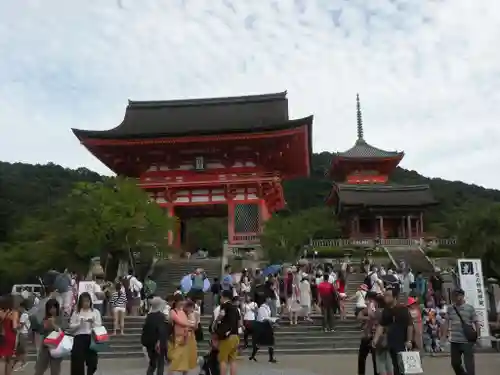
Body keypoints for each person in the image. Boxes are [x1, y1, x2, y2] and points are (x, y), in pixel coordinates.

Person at [373, 288, 413, 375]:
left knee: (402, 367)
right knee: (394, 366)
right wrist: (375, 339)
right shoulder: (386, 311)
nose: (385, 297)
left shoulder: (403, 310)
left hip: (402, 343)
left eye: (388, 295)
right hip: (390, 343)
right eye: (385, 295)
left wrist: (409, 340)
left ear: (395, 297)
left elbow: (410, 325)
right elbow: (381, 325)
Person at [446, 288, 479, 375]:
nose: (456, 297)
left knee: (469, 365)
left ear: (462, 296)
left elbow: (476, 322)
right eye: (454, 295)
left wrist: (477, 336)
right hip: (455, 341)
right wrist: (444, 334)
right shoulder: (450, 308)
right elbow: (446, 322)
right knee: (455, 363)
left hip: (467, 341)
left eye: (458, 295)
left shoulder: (470, 308)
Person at [69, 292, 103, 375]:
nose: (86, 303)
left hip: (91, 338)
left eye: (87, 301)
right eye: (84, 301)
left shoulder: (95, 312)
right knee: (77, 362)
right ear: (80, 302)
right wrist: (79, 324)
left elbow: (99, 326)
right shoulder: (76, 313)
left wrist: (92, 323)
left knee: (92, 361)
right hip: (79, 338)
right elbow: (71, 327)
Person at [34, 299, 64, 375]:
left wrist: (53, 324)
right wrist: (45, 325)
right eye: (50, 308)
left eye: (54, 308)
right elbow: (40, 331)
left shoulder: (60, 318)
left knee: (55, 370)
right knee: (39, 369)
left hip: (56, 347)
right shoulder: (45, 318)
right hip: (45, 347)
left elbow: (62, 331)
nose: (52, 310)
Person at [168, 294, 196, 375]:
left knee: (185, 360)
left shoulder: (183, 311)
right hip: (177, 338)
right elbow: (179, 321)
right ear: (176, 302)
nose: (183, 303)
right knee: (175, 360)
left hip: (185, 337)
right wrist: (189, 324)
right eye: (181, 301)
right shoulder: (173, 311)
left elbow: (190, 323)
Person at [142, 297, 169, 375]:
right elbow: (162, 331)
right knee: (160, 363)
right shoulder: (161, 316)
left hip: (149, 343)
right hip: (158, 343)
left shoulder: (149, 316)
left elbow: (145, 330)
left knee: (153, 363)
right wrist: (160, 342)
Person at [215, 290, 240, 375]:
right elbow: (239, 323)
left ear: (224, 297)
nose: (220, 298)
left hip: (227, 337)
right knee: (233, 360)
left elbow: (220, 318)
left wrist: (218, 320)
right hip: (235, 336)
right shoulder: (236, 308)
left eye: (221, 297)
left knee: (223, 360)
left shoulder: (224, 306)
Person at [356, 292, 379, 375]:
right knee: (374, 359)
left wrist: (368, 318)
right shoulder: (376, 306)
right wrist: (368, 318)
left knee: (363, 357)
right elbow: (360, 316)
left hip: (370, 335)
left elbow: (360, 316)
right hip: (372, 335)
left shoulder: (371, 306)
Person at [249, 297, 277, 363]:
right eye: (269, 298)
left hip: (267, 325)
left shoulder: (268, 307)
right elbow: (263, 318)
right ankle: (252, 356)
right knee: (259, 342)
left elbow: (268, 316)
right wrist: (272, 320)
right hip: (262, 326)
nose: (270, 300)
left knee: (270, 342)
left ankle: (271, 358)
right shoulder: (262, 308)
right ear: (266, 299)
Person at [0, 295, 19, 375]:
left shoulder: (0, 312)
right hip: (11, 337)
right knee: (9, 359)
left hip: (2, 335)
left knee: (1, 357)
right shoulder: (14, 312)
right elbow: (14, 327)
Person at [14, 300, 30, 372]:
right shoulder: (26, 314)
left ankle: (23, 364)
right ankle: (20, 363)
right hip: (23, 333)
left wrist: (15, 327)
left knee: (22, 350)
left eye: (19, 307)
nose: (18, 308)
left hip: (23, 333)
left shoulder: (24, 315)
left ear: (22, 307)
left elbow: (21, 325)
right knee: (20, 350)